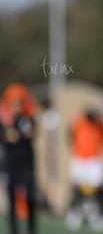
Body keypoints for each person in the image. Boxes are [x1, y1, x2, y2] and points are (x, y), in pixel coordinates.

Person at [0, 83, 37, 234]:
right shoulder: (5, 122)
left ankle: (31, 229)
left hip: (26, 164)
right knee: (12, 198)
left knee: (30, 197)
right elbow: (7, 136)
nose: (17, 108)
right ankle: (13, 230)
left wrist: (18, 134)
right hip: (11, 164)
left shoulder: (27, 120)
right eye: (14, 104)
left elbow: (29, 133)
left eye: (19, 104)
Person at [65, 108, 103, 232]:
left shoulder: (100, 125)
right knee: (77, 187)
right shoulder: (79, 122)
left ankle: (96, 214)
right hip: (80, 158)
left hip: (94, 159)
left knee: (96, 189)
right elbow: (70, 134)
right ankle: (75, 212)